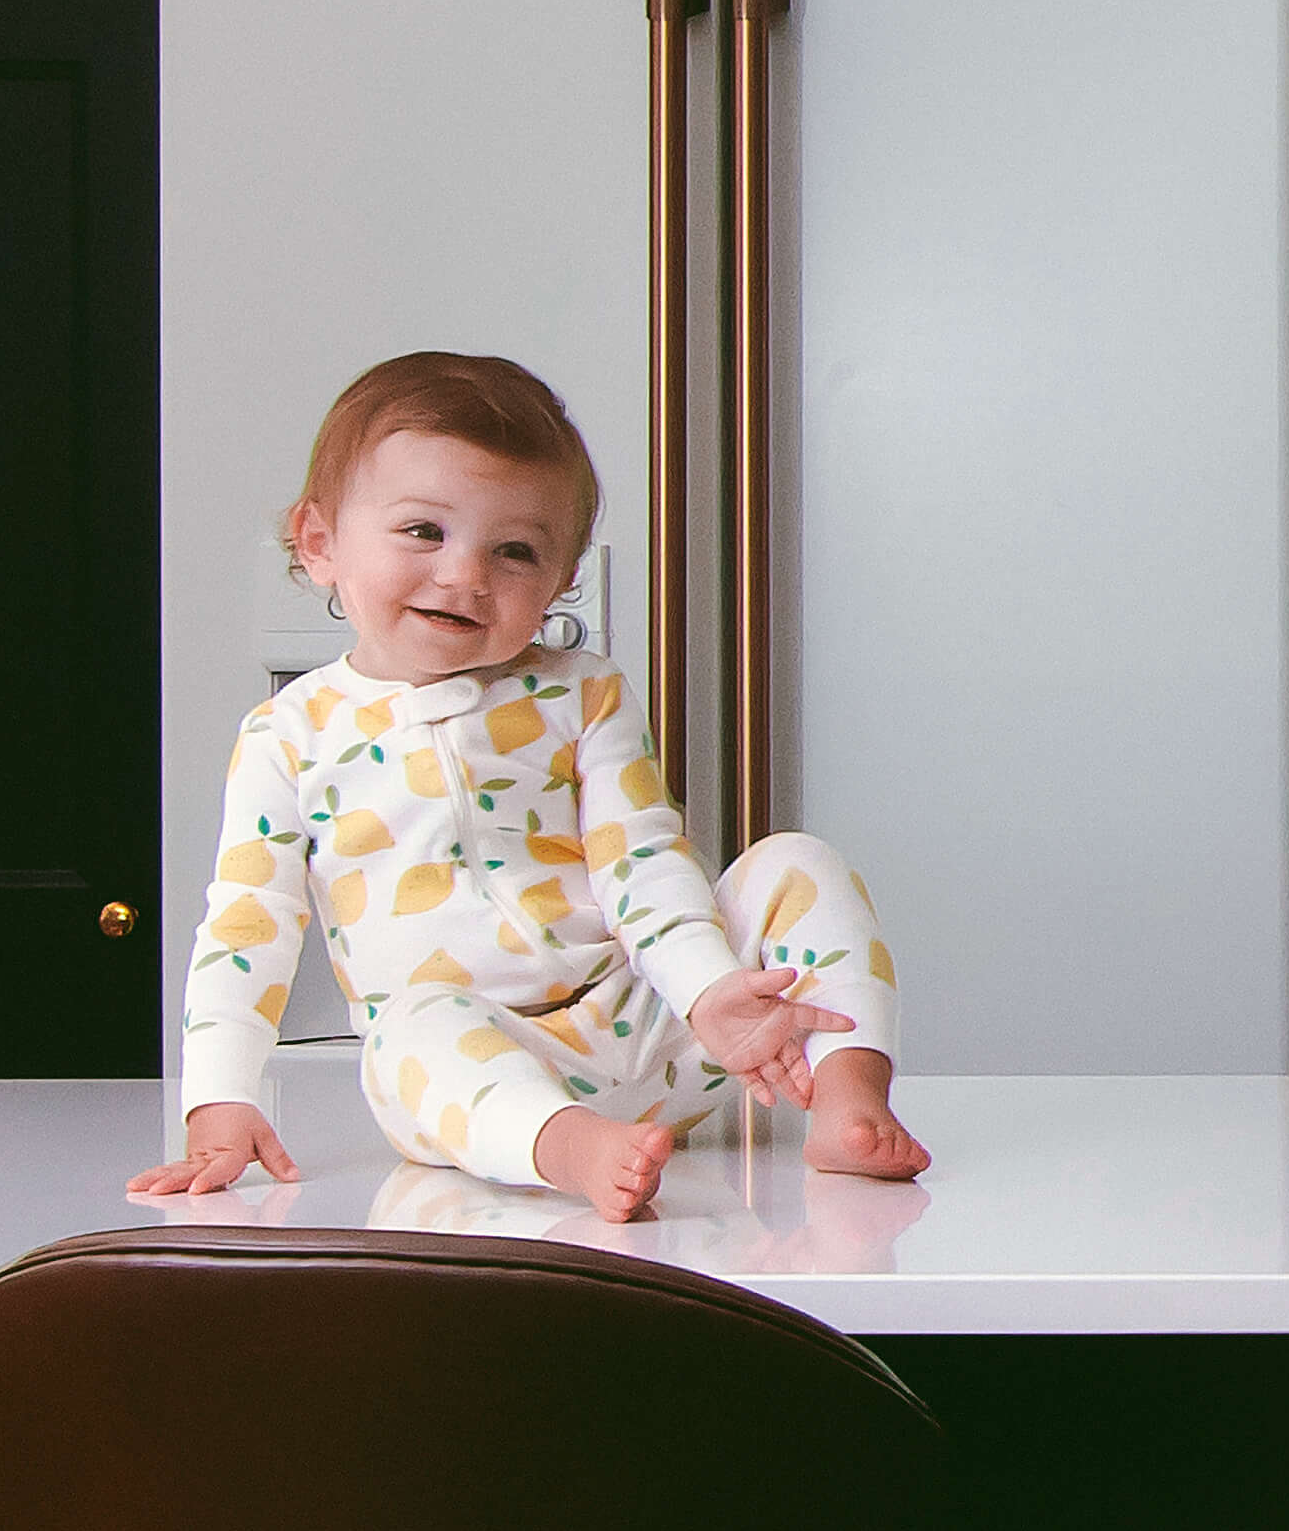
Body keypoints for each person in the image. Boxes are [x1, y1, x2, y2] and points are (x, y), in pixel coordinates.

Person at [133, 352, 928, 1221]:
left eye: (515, 550)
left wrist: (707, 992)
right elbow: (247, 926)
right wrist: (218, 1097)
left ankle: (848, 1099)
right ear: (319, 542)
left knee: (796, 862)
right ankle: (569, 1147)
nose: (466, 575)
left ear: (561, 579)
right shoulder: (288, 736)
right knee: (408, 1028)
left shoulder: (583, 693)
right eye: (423, 531)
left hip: (662, 1025)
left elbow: (644, 860)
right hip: (483, 1069)